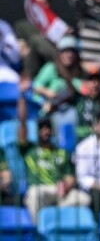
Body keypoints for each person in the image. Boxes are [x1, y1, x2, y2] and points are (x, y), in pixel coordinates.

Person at [17, 77, 90, 224]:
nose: (46, 131)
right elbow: (23, 124)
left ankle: (54, 220)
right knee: (34, 195)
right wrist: (23, 97)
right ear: (37, 132)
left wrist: (67, 185)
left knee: (84, 199)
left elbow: (70, 176)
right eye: (42, 129)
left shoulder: (62, 152)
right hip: (40, 190)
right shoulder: (29, 150)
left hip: (58, 190)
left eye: (48, 128)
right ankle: (38, 231)